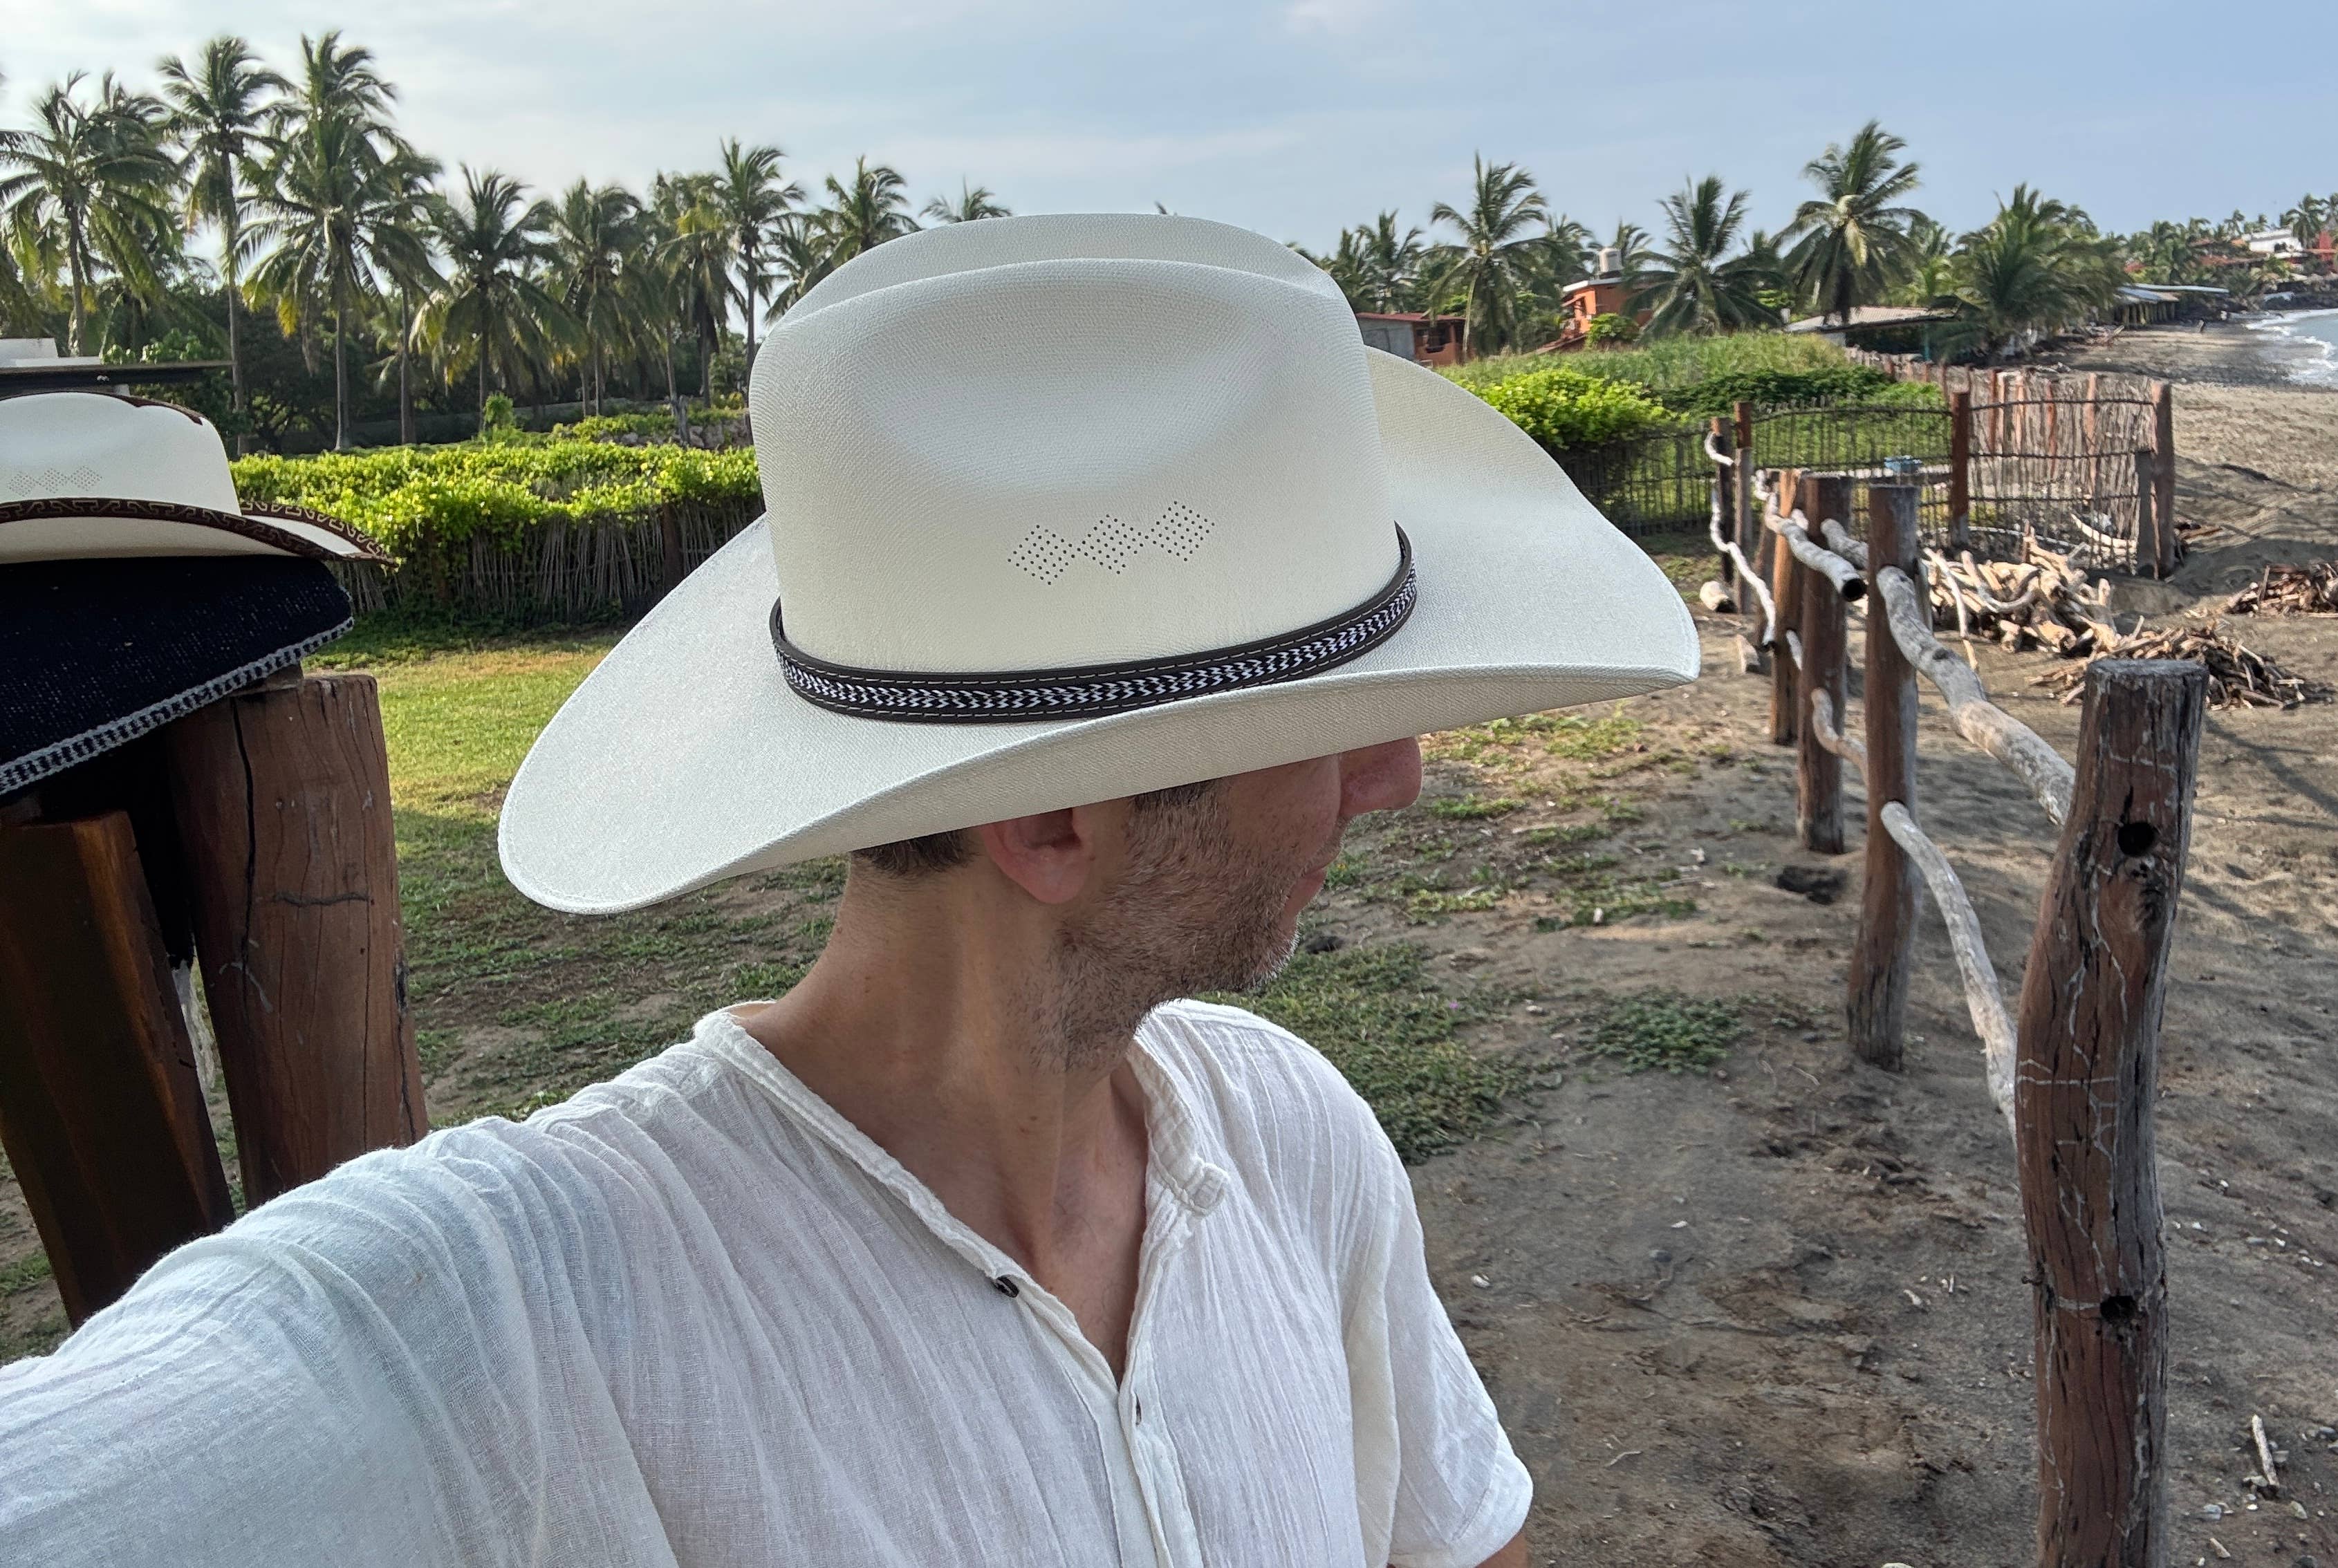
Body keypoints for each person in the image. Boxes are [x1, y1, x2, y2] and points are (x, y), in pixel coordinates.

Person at [0, 214, 1698, 1566]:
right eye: (1333, 731)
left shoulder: (1290, 1140)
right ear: (1058, 823)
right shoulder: (510, 1324)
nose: (1396, 776)